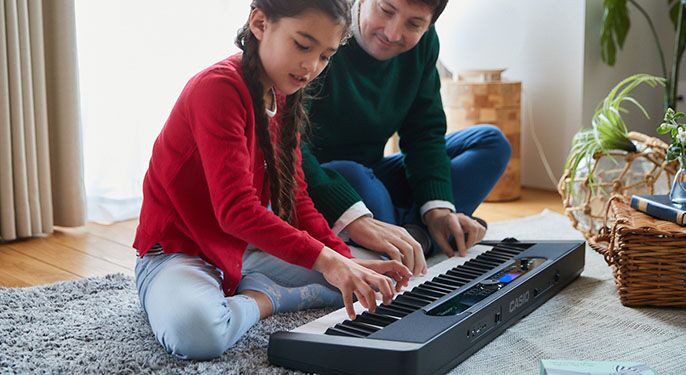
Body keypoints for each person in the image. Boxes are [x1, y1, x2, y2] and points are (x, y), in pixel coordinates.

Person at [133, 0, 411, 361]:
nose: (312, 67)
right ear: (260, 23)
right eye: (302, 45)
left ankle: (248, 288)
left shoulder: (283, 94)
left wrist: (344, 259)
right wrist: (329, 263)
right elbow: (235, 212)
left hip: (243, 253)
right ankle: (266, 298)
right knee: (198, 333)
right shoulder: (217, 89)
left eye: (325, 56)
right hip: (178, 253)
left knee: (369, 279)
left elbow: (296, 200)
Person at [301, 0, 512, 275]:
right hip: (321, 181)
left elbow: (424, 132)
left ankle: (416, 231)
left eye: (414, 24)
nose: (393, 33)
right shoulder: (324, 29)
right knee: (351, 174)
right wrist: (351, 211)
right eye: (386, 11)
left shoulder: (423, 45)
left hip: (376, 175)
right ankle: (415, 236)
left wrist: (438, 209)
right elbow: (287, 146)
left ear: (429, 25)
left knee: (490, 142)